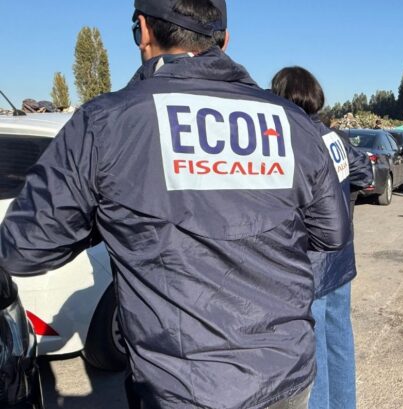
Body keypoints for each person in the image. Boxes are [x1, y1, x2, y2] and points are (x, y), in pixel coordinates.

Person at [0, 1, 351, 408]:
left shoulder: (107, 123)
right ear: (225, 40)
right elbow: (332, 233)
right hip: (284, 378)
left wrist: (108, 215)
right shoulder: (291, 123)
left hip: (182, 391)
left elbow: (23, 249)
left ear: (144, 31)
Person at [271, 67, 372, 409]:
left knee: (313, 354)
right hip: (341, 260)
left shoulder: (293, 140)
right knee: (340, 341)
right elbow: (364, 172)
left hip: (309, 264)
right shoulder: (333, 137)